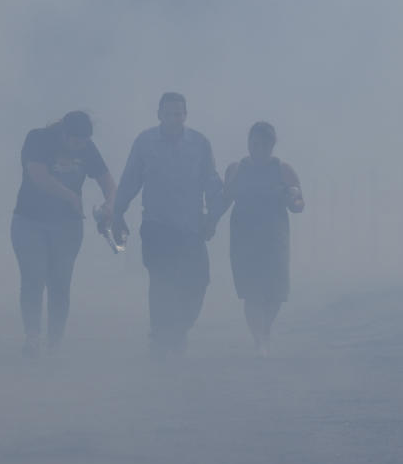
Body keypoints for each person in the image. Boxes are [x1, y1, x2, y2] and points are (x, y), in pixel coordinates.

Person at [112, 92, 225, 359]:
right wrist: (117, 213)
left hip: (191, 229)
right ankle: (162, 337)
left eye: (179, 114)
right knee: (162, 283)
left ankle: (179, 329)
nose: (175, 119)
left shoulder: (199, 144)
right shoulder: (145, 142)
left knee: (199, 282)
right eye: (169, 113)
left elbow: (212, 183)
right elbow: (130, 180)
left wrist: (213, 218)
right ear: (159, 115)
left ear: (185, 115)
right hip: (157, 227)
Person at [11, 111, 116, 357]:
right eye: (76, 142)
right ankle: (33, 337)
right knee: (33, 276)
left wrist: (110, 204)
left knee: (60, 282)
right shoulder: (38, 139)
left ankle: (55, 341)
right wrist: (70, 196)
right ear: (64, 134)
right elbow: (38, 176)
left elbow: (108, 182)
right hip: (30, 221)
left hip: (67, 226)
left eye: (84, 142)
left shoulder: (88, 147)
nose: (80, 147)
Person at [221, 122, 304, 357]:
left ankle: (265, 331)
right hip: (243, 239)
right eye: (254, 144)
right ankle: (259, 341)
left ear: (272, 145)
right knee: (252, 292)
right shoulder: (236, 168)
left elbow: (299, 205)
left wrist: (292, 198)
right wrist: (208, 223)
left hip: (274, 239)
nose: (258, 149)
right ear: (248, 143)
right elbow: (225, 199)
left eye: (264, 145)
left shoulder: (283, 171)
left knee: (275, 293)